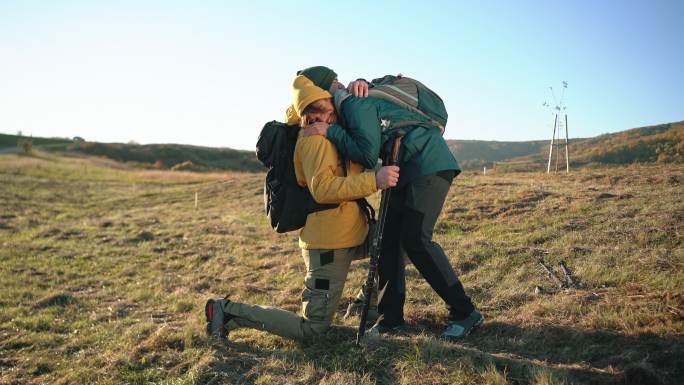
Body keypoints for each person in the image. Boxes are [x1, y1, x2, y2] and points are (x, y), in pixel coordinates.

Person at [204, 73, 400, 340]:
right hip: (328, 244)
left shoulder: (333, 128)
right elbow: (323, 189)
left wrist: (362, 82)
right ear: (315, 108)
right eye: (327, 108)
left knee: (401, 244)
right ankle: (226, 312)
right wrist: (374, 180)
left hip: (354, 227)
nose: (330, 116)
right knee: (313, 330)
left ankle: (368, 303)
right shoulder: (313, 140)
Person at [299, 66, 483, 340]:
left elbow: (367, 153)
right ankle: (390, 320)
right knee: (387, 241)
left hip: (428, 165)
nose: (315, 117)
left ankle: (465, 312)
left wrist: (330, 133)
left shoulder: (353, 103)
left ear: (324, 91)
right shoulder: (348, 102)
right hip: (403, 169)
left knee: (416, 239)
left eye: (314, 102)